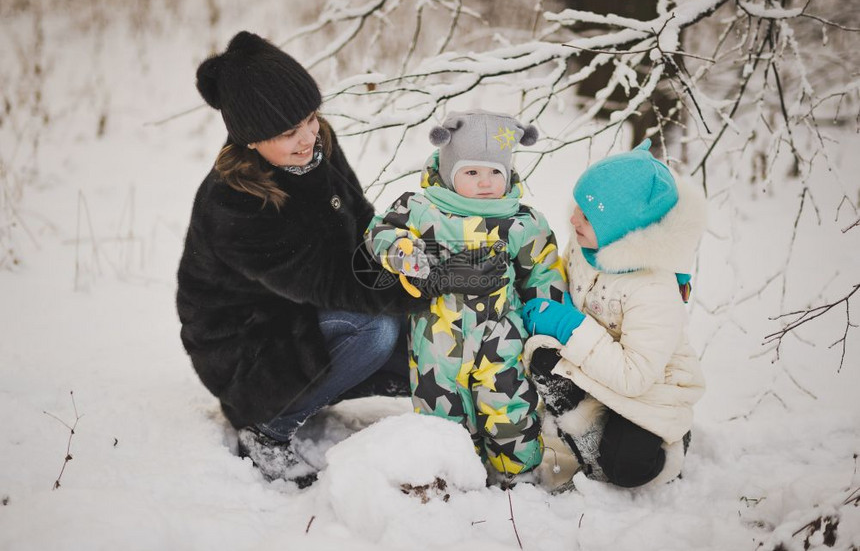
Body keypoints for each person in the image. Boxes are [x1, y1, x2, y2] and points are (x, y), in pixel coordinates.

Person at [176, 32, 506, 487]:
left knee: (432, 342)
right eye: (288, 132)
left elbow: (364, 231)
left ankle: (493, 424)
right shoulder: (236, 202)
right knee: (375, 328)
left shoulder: (317, 148)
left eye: (310, 118)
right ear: (250, 139)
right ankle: (266, 428)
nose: (308, 136)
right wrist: (437, 279)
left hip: (306, 315)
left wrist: (432, 259)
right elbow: (334, 283)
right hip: (248, 351)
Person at [364, 110, 569, 482]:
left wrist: (548, 330)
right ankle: (453, 474)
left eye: (495, 172)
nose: (485, 182)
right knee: (441, 410)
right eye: (472, 172)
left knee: (510, 405)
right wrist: (408, 256)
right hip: (436, 337)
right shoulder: (421, 209)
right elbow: (379, 233)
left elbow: (543, 274)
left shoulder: (523, 222)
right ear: (448, 169)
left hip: (502, 336)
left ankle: (517, 474)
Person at [522, 139, 707, 489]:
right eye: (577, 205)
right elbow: (565, 276)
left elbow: (635, 376)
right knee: (542, 358)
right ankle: (584, 427)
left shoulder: (653, 289)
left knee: (627, 467)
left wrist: (568, 325)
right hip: (597, 364)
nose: (573, 219)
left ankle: (667, 442)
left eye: (587, 216)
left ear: (622, 230)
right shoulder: (588, 242)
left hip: (650, 388)